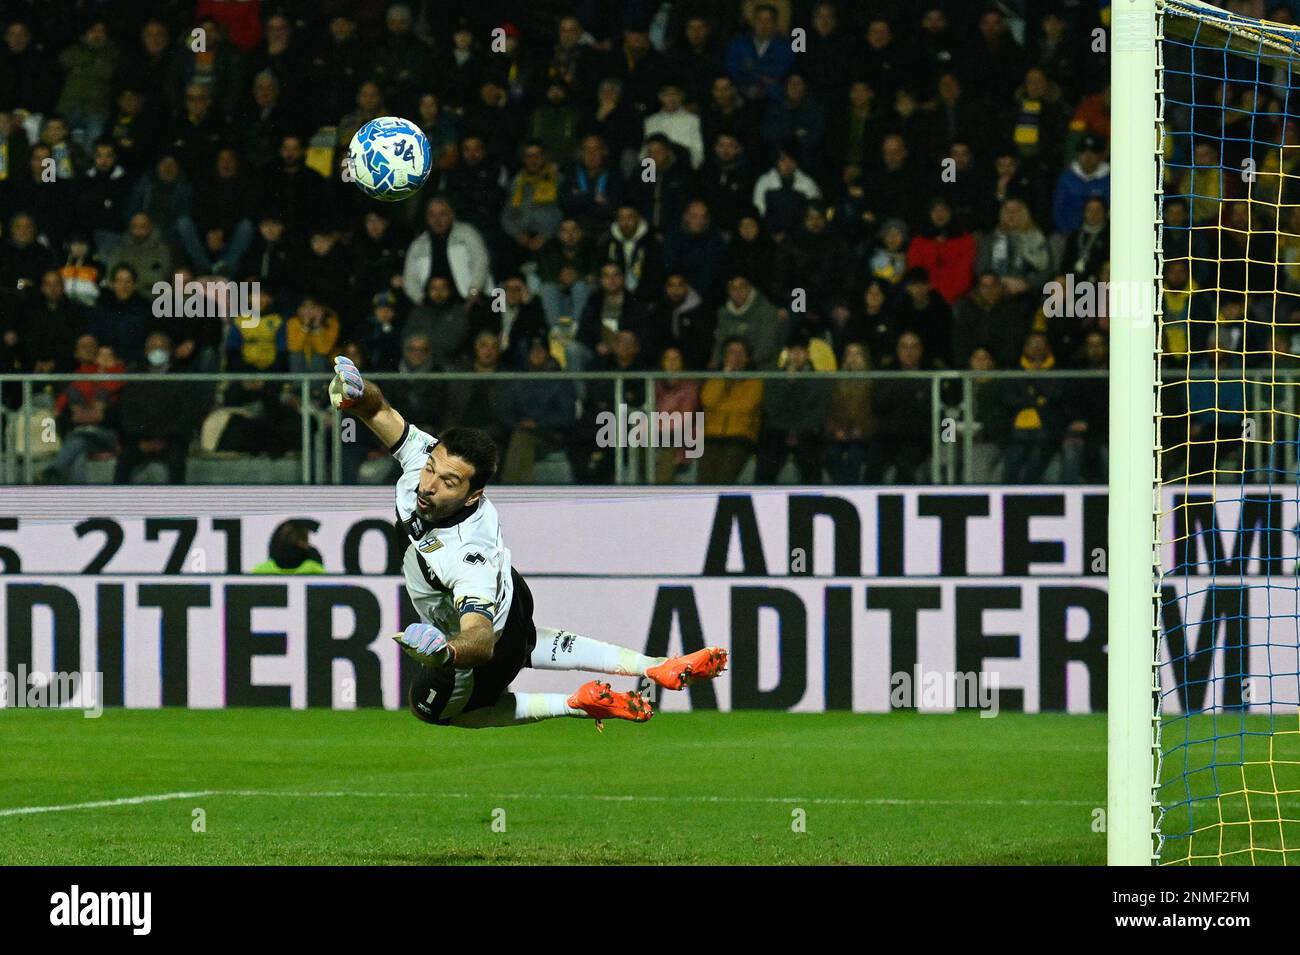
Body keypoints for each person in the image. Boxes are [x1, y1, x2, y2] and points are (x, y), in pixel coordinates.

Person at [327, 354, 728, 730]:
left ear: (473, 496)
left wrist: (445, 653)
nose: (428, 486)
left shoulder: (467, 556)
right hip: (515, 604)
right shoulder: (427, 460)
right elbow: (379, 412)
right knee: (526, 641)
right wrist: (360, 394)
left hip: (486, 644)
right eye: (432, 469)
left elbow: (480, 641)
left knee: (431, 710)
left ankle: (572, 703)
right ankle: (654, 665)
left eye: (448, 482)